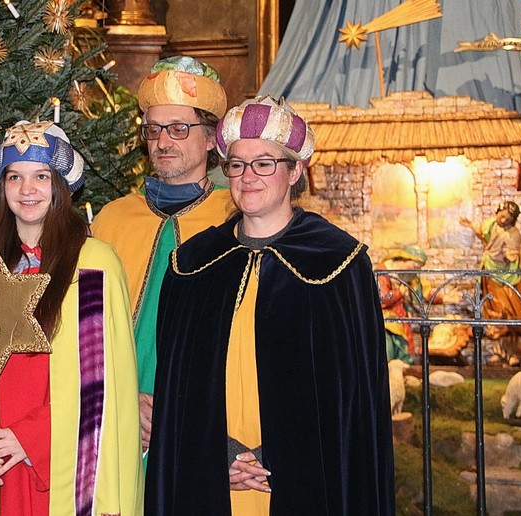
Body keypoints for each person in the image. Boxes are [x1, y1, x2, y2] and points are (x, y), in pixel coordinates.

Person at [144, 97, 395, 515]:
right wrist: (218, 454)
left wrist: (277, 455)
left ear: (295, 171)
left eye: (264, 164)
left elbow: (352, 401)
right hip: (211, 479)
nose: (248, 177)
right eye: (237, 165)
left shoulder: (338, 264)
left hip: (307, 480)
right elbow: (179, 393)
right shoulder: (193, 265)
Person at [0, 121, 143, 515]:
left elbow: (102, 385)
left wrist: (29, 438)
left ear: (60, 185)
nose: (27, 190)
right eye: (15, 177)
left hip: (61, 463)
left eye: (41, 176)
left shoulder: (93, 266)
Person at [90, 55, 233, 461]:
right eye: (153, 129)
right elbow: (86, 330)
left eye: (179, 128)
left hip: (204, 421)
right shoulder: (112, 219)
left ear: (211, 138)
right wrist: (122, 397)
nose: (163, 142)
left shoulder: (233, 218)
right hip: (117, 417)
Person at [377, 245, 462, 362]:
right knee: (388, 351)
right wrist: (400, 292)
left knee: (404, 354)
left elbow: (423, 294)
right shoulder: (383, 272)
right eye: (415, 266)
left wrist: (445, 298)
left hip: (400, 318)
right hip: (385, 321)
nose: (416, 271)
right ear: (405, 259)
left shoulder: (409, 275)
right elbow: (382, 298)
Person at [459, 201, 521, 326]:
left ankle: (511, 328)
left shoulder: (513, 233)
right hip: (490, 269)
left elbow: (513, 253)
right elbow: (482, 234)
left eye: (508, 219)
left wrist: (510, 254)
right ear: (497, 212)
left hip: (504, 274)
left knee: (506, 302)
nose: (504, 220)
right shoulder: (491, 223)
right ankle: (494, 326)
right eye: (502, 216)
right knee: (490, 300)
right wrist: (471, 225)